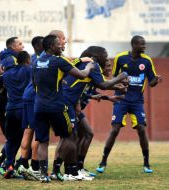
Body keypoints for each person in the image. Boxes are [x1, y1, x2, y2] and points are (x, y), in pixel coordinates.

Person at [52, 46, 127, 181]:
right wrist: (121, 76)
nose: (106, 57)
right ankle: (67, 171)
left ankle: (71, 170)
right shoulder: (93, 65)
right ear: (97, 55)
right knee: (71, 137)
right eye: (105, 54)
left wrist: (112, 90)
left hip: (68, 102)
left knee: (78, 135)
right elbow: (103, 85)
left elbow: (92, 87)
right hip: (66, 102)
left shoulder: (85, 64)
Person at [33, 35, 95, 182]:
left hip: (39, 107)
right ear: (50, 47)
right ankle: (55, 170)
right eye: (58, 44)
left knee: (43, 142)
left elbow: (34, 83)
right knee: (69, 135)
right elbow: (81, 75)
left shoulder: (36, 62)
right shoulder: (58, 61)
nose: (61, 46)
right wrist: (89, 67)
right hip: (56, 107)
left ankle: (43, 175)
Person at [96, 35, 162, 174]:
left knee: (141, 129)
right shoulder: (121, 58)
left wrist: (156, 80)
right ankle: (103, 161)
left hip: (137, 101)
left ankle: (146, 163)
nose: (144, 46)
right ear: (133, 45)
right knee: (115, 130)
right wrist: (119, 83)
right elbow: (113, 77)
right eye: (141, 44)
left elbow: (151, 82)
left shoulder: (147, 61)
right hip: (121, 99)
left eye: (145, 44)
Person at [0, 37, 24, 176]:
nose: (23, 46)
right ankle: (2, 164)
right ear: (12, 47)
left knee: (14, 136)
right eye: (20, 44)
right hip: (2, 100)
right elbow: (8, 79)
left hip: (4, 100)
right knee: (13, 136)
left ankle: (6, 164)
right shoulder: (11, 59)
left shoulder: (9, 58)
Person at [0, 50, 31, 178]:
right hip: (23, 109)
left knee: (11, 140)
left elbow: (1, 83)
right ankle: (23, 165)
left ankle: (9, 165)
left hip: (10, 109)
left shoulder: (7, 74)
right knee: (29, 137)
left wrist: (1, 74)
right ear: (28, 60)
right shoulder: (29, 69)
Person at [17, 36, 44, 180]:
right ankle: (35, 167)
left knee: (28, 131)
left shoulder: (31, 59)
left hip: (27, 97)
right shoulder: (42, 60)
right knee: (38, 132)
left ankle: (23, 164)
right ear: (40, 46)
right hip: (34, 98)